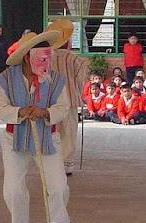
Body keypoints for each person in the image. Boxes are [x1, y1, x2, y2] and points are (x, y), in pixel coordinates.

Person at [0, 30, 76, 223]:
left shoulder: (56, 79)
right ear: (27, 56)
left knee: (59, 187)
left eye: (47, 55)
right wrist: (20, 111)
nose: (45, 60)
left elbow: (63, 107)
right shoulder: (5, 79)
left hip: (48, 138)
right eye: (40, 55)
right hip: (14, 139)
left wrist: (46, 112)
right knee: (13, 190)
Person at [45, 19, 89, 176]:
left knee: (53, 130)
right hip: (70, 99)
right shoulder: (75, 59)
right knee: (69, 132)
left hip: (51, 101)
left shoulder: (46, 58)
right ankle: (67, 163)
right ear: (67, 42)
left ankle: (52, 161)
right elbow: (79, 81)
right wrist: (78, 92)